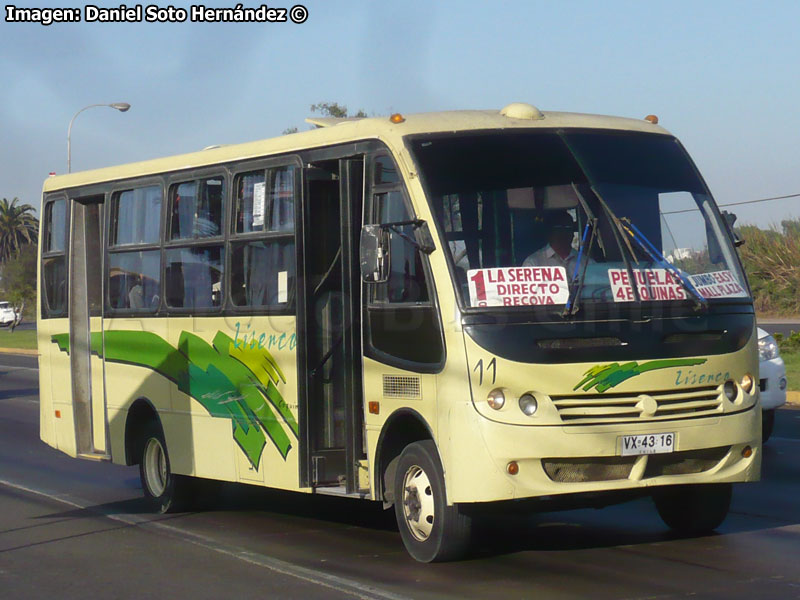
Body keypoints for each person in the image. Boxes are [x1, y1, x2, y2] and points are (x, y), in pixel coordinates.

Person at [522, 210, 581, 275]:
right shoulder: (533, 263)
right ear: (549, 232)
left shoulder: (587, 263)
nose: (564, 233)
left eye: (568, 228)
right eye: (559, 229)